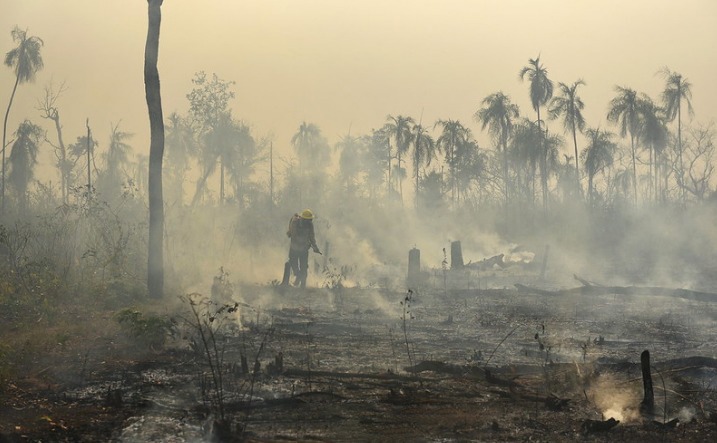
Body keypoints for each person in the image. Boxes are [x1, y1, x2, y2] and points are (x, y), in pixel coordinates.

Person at [281, 209, 321, 288]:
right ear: (304, 219)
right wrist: (305, 242)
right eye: (309, 220)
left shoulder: (310, 225)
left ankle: (303, 286)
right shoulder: (295, 223)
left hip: (304, 249)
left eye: (311, 220)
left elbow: (312, 236)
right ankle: (298, 276)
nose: (310, 221)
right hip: (294, 248)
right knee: (293, 263)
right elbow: (294, 236)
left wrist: (315, 247)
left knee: (304, 266)